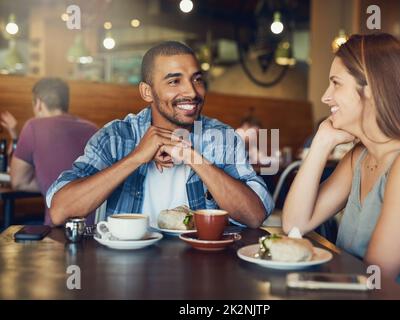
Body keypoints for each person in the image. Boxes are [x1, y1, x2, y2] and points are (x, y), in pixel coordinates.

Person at [282, 33, 400, 299]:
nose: (326, 97)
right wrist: (322, 143)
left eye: (335, 83)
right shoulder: (359, 156)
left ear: (370, 87)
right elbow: (294, 225)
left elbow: (374, 276)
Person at [47, 41, 273, 228]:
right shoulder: (115, 136)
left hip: (201, 270)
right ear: (147, 92)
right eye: (175, 81)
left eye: (197, 79)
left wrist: (192, 157)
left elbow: (254, 216)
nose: (192, 92)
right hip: (124, 273)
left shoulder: (221, 137)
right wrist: (136, 158)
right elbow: (60, 210)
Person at [3, 78, 98, 225]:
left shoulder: (33, 126)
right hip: (98, 228)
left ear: (39, 103)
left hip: (58, 230)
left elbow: (19, 181)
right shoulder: (93, 129)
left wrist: (51, 183)